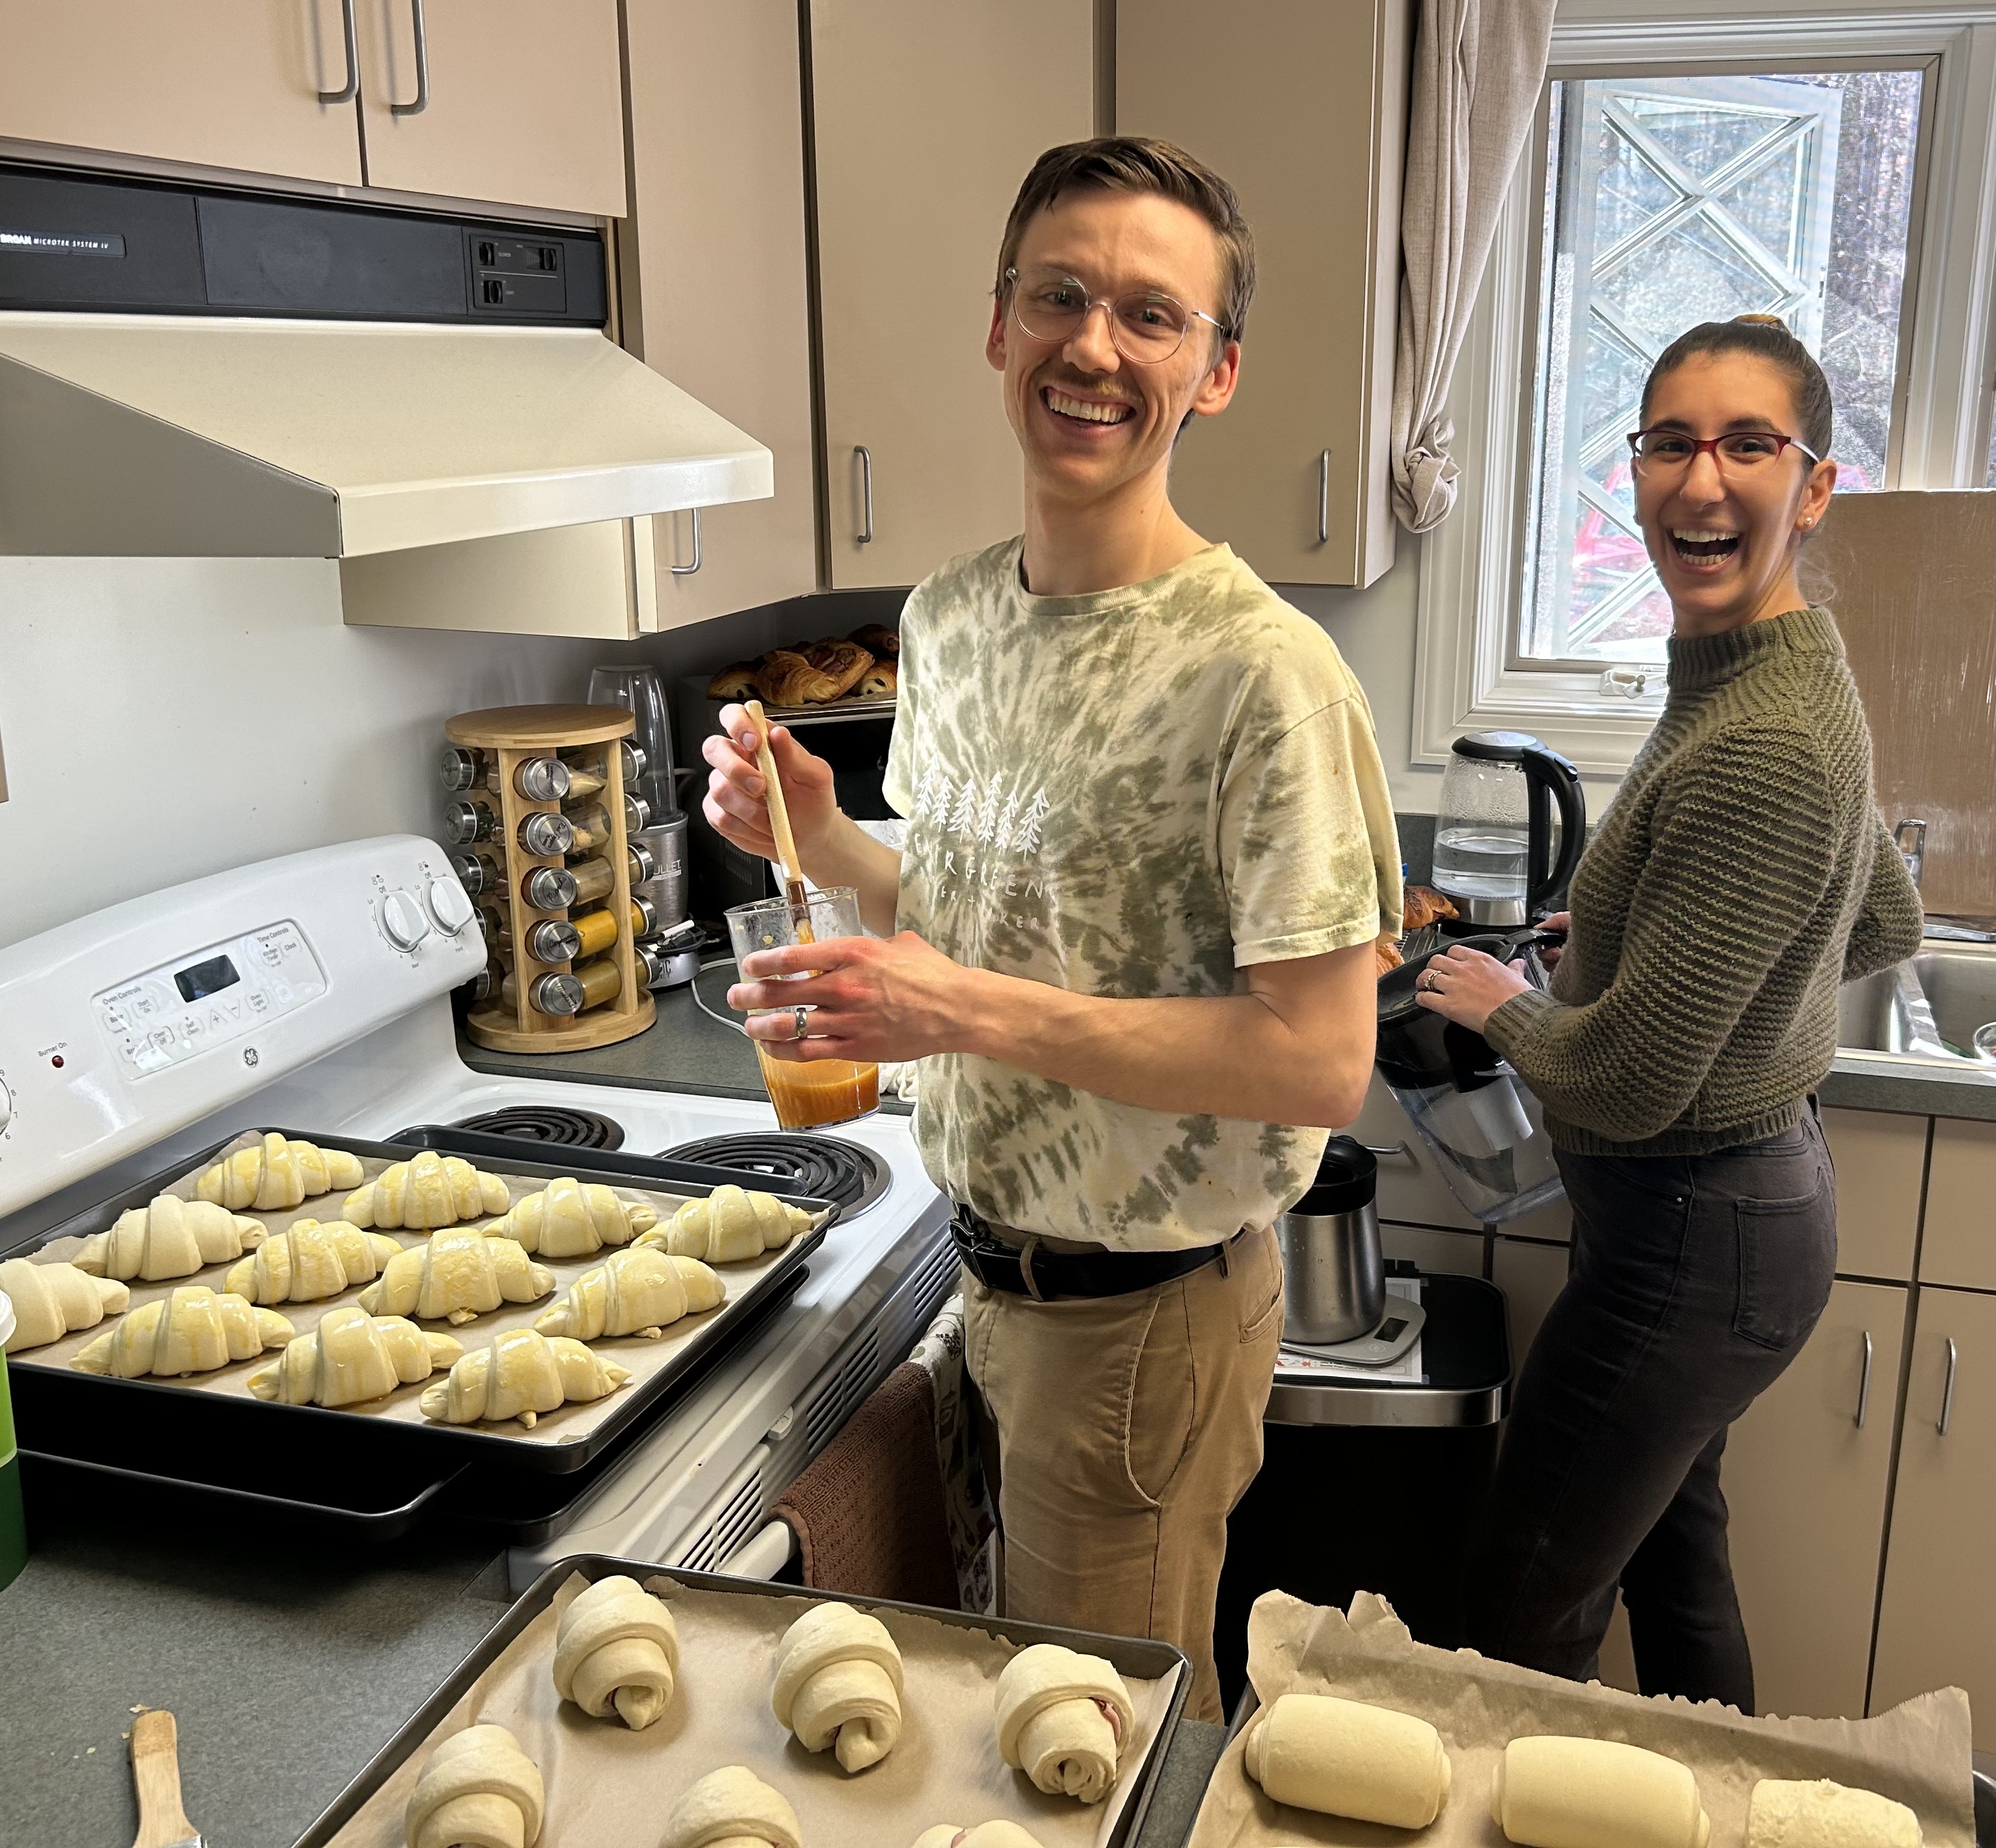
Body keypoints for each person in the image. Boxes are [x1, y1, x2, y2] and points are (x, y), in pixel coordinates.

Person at [701, 136, 1400, 1717]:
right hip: (992, 1283)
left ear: (1214, 373)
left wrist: (962, 1014)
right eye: (1061, 296)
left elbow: (1318, 1062)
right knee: (1027, 1732)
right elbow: (977, 905)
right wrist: (821, 838)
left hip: (1142, 1324)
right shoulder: (949, 620)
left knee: (1107, 1748)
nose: (1096, 344)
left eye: (1153, 317)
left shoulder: (1261, 676)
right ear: (999, 327)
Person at [1414, 314, 1924, 1710]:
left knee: (1522, 1607)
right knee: (1673, 1569)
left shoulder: (1760, 735)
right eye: (1669, 443)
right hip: (1742, 1219)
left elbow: (1630, 1082)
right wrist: (1649, 935)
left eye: (1749, 444)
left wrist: (1505, 1002)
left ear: (1813, 486)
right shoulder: (1778, 663)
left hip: (1693, 1237)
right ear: (1633, 472)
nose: (1703, 481)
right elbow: (1878, 914)